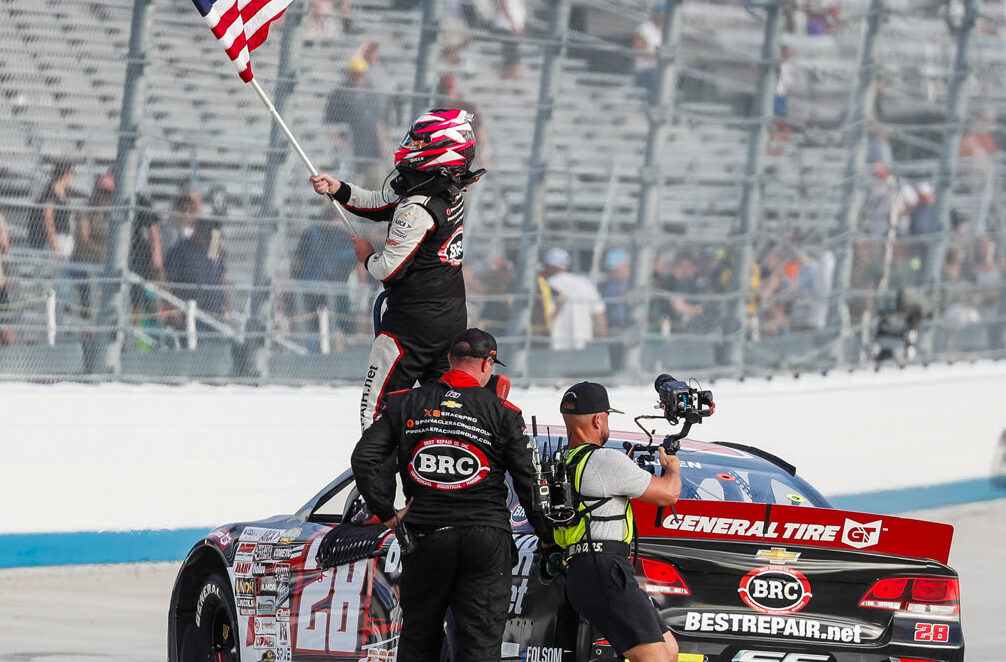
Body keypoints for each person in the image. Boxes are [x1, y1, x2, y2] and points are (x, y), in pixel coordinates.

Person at [350, 328, 554, 662]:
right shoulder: (503, 413)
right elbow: (528, 481)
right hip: (486, 540)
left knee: (419, 637)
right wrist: (546, 535)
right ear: (489, 364)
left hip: (426, 535)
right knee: (480, 644)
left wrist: (387, 512)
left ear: (449, 360)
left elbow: (364, 458)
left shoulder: (405, 403)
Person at [310, 108, 485, 428]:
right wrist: (338, 188)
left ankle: (379, 474)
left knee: (376, 410)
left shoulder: (419, 205)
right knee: (445, 412)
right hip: (450, 320)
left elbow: (388, 269)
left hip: (411, 326)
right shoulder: (446, 191)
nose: (409, 146)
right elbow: (381, 202)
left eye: (419, 142)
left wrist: (366, 256)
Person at [553, 381, 681, 662]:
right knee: (654, 658)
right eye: (607, 417)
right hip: (605, 568)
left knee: (669, 649)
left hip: (583, 569)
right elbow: (668, 494)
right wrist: (672, 468)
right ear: (598, 419)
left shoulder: (562, 461)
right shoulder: (606, 461)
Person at [323, 56, 389, 189]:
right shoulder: (339, 95)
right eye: (355, 74)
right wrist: (342, 146)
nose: (358, 78)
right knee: (341, 190)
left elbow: (378, 123)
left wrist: (383, 145)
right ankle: (332, 210)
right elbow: (330, 125)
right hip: (349, 153)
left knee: (379, 186)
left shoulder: (370, 95)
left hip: (372, 152)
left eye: (361, 75)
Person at [164, 218, 227, 330]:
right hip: (191, 320)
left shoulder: (213, 249)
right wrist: (173, 310)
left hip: (215, 319)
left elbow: (221, 276)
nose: (214, 234)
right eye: (210, 229)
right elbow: (167, 282)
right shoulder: (180, 250)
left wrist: (227, 307)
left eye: (216, 230)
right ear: (199, 228)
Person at [541, 247, 608, 351]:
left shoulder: (546, 286)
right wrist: (604, 345)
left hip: (555, 350)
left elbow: (542, 321)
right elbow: (599, 317)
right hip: (584, 348)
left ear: (549, 266)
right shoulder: (585, 284)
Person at [27, 159, 76, 257]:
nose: (72, 178)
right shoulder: (51, 194)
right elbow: (48, 218)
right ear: (65, 175)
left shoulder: (63, 194)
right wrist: (54, 243)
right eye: (71, 175)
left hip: (65, 238)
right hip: (57, 239)